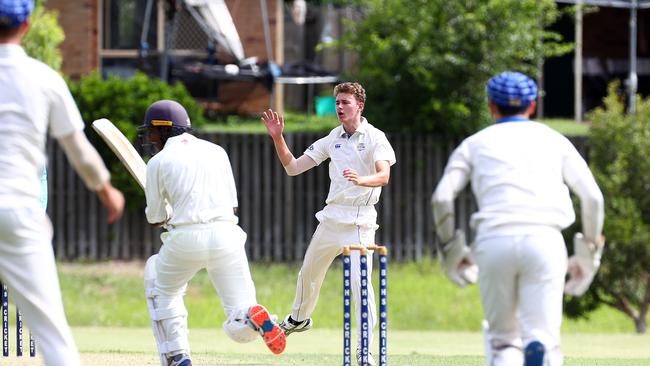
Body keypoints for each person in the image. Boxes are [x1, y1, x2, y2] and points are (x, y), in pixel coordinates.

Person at [431, 71, 605, 366]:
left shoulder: (474, 143)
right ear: (533, 106)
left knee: (503, 342)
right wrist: (588, 252)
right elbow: (593, 198)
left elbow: (442, 198)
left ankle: (509, 353)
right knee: (545, 339)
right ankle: (538, 347)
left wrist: (451, 249)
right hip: (544, 240)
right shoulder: (555, 140)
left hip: (494, 240)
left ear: (491, 106)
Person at [0, 0, 126, 364]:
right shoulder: (44, 78)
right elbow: (80, 151)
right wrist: (107, 190)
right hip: (21, 214)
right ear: (25, 27)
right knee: (53, 335)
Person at [139, 100, 287, 366]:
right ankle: (252, 318)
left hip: (186, 238)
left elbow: (156, 218)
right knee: (238, 314)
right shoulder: (217, 151)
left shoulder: (158, 162)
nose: (149, 137)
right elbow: (232, 204)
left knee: (160, 285)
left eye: (151, 131)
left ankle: (177, 355)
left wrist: (170, 214)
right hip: (227, 235)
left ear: (163, 130)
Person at [262, 82, 396, 366]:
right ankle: (298, 319)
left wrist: (362, 180)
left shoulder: (375, 137)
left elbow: (383, 176)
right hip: (331, 218)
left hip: (359, 222)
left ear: (360, 106)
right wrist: (278, 138)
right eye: (338, 102)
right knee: (309, 273)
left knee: (361, 288)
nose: (340, 107)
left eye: (346, 102)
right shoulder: (332, 139)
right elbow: (293, 167)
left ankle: (365, 351)